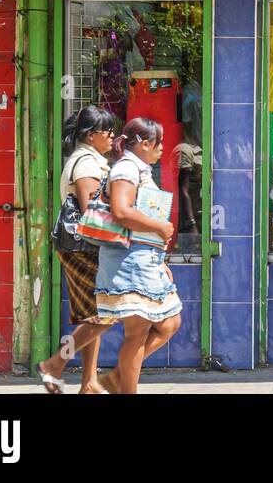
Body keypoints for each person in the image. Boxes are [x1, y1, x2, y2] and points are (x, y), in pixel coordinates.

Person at [93, 117, 181, 395]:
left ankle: (115, 379)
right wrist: (160, 227)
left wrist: (159, 257)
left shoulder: (138, 169)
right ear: (144, 144)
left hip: (146, 260)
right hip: (130, 262)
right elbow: (121, 211)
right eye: (159, 143)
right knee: (137, 332)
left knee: (169, 322)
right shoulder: (126, 169)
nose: (162, 148)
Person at [35, 105, 118, 394]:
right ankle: (54, 364)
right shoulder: (86, 164)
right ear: (90, 135)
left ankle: (89, 382)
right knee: (105, 314)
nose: (112, 136)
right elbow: (90, 212)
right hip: (83, 249)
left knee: (92, 317)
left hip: (83, 248)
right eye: (106, 131)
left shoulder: (89, 159)